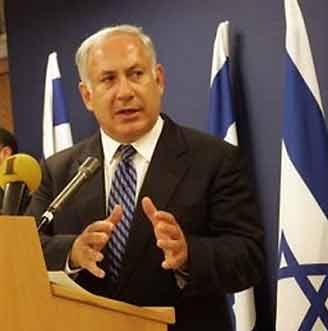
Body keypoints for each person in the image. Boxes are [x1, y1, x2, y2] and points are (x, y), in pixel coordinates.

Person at [27, 25, 264, 331]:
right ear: (87, 95)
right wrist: (71, 252)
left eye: (136, 74)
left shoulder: (214, 159)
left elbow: (249, 257)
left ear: (159, 79)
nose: (125, 92)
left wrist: (189, 254)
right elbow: (28, 250)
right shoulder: (59, 170)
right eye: (108, 79)